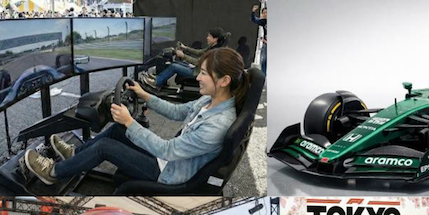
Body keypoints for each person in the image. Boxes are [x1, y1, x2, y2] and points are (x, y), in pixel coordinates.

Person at [23, 48, 249, 187]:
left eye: (203, 73)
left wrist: (130, 121)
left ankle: (53, 173)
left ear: (224, 80)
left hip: (168, 172)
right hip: (169, 160)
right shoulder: (209, 101)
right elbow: (178, 112)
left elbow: (167, 150)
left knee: (105, 147)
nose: (197, 77)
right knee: (116, 131)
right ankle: (74, 155)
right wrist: (144, 94)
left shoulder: (218, 124)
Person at [142, 28, 229, 89]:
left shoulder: (214, 52)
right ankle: (159, 78)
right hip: (198, 70)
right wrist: (185, 48)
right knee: (177, 63)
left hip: (197, 73)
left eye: (209, 36)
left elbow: (197, 62)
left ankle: (156, 82)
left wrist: (183, 56)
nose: (207, 38)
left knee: (174, 66)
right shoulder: (213, 47)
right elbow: (199, 52)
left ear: (215, 39)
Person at [251, 6, 267, 74]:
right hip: (266, 44)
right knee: (263, 60)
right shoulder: (263, 21)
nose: (265, 14)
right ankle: (264, 76)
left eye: (266, 12)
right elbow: (254, 20)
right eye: (264, 13)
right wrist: (253, 12)